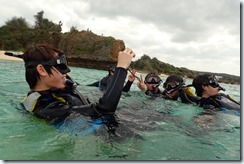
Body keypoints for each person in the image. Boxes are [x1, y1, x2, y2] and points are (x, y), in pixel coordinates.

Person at [21, 43, 135, 124]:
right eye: (61, 66)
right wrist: (121, 69)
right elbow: (103, 111)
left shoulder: (58, 88)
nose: (66, 72)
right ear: (41, 70)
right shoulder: (48, 108)